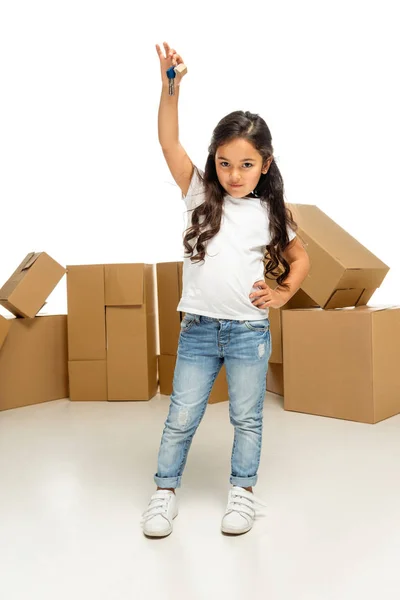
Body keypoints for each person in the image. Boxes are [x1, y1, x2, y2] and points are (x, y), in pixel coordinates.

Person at [141, 42, 310, 538]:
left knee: (247, 417)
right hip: (197, 328)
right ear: (213, 161)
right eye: (223, 163)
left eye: (246, 165)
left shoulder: (273, 212)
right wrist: (170, 90)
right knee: (181, 417)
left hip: (248, 334)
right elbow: (169, 144)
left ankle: (242, 492)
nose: (233, 175)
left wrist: (281, 294)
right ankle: (164, 492)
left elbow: (300, 260)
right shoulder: (198, 193)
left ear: (266, 163)